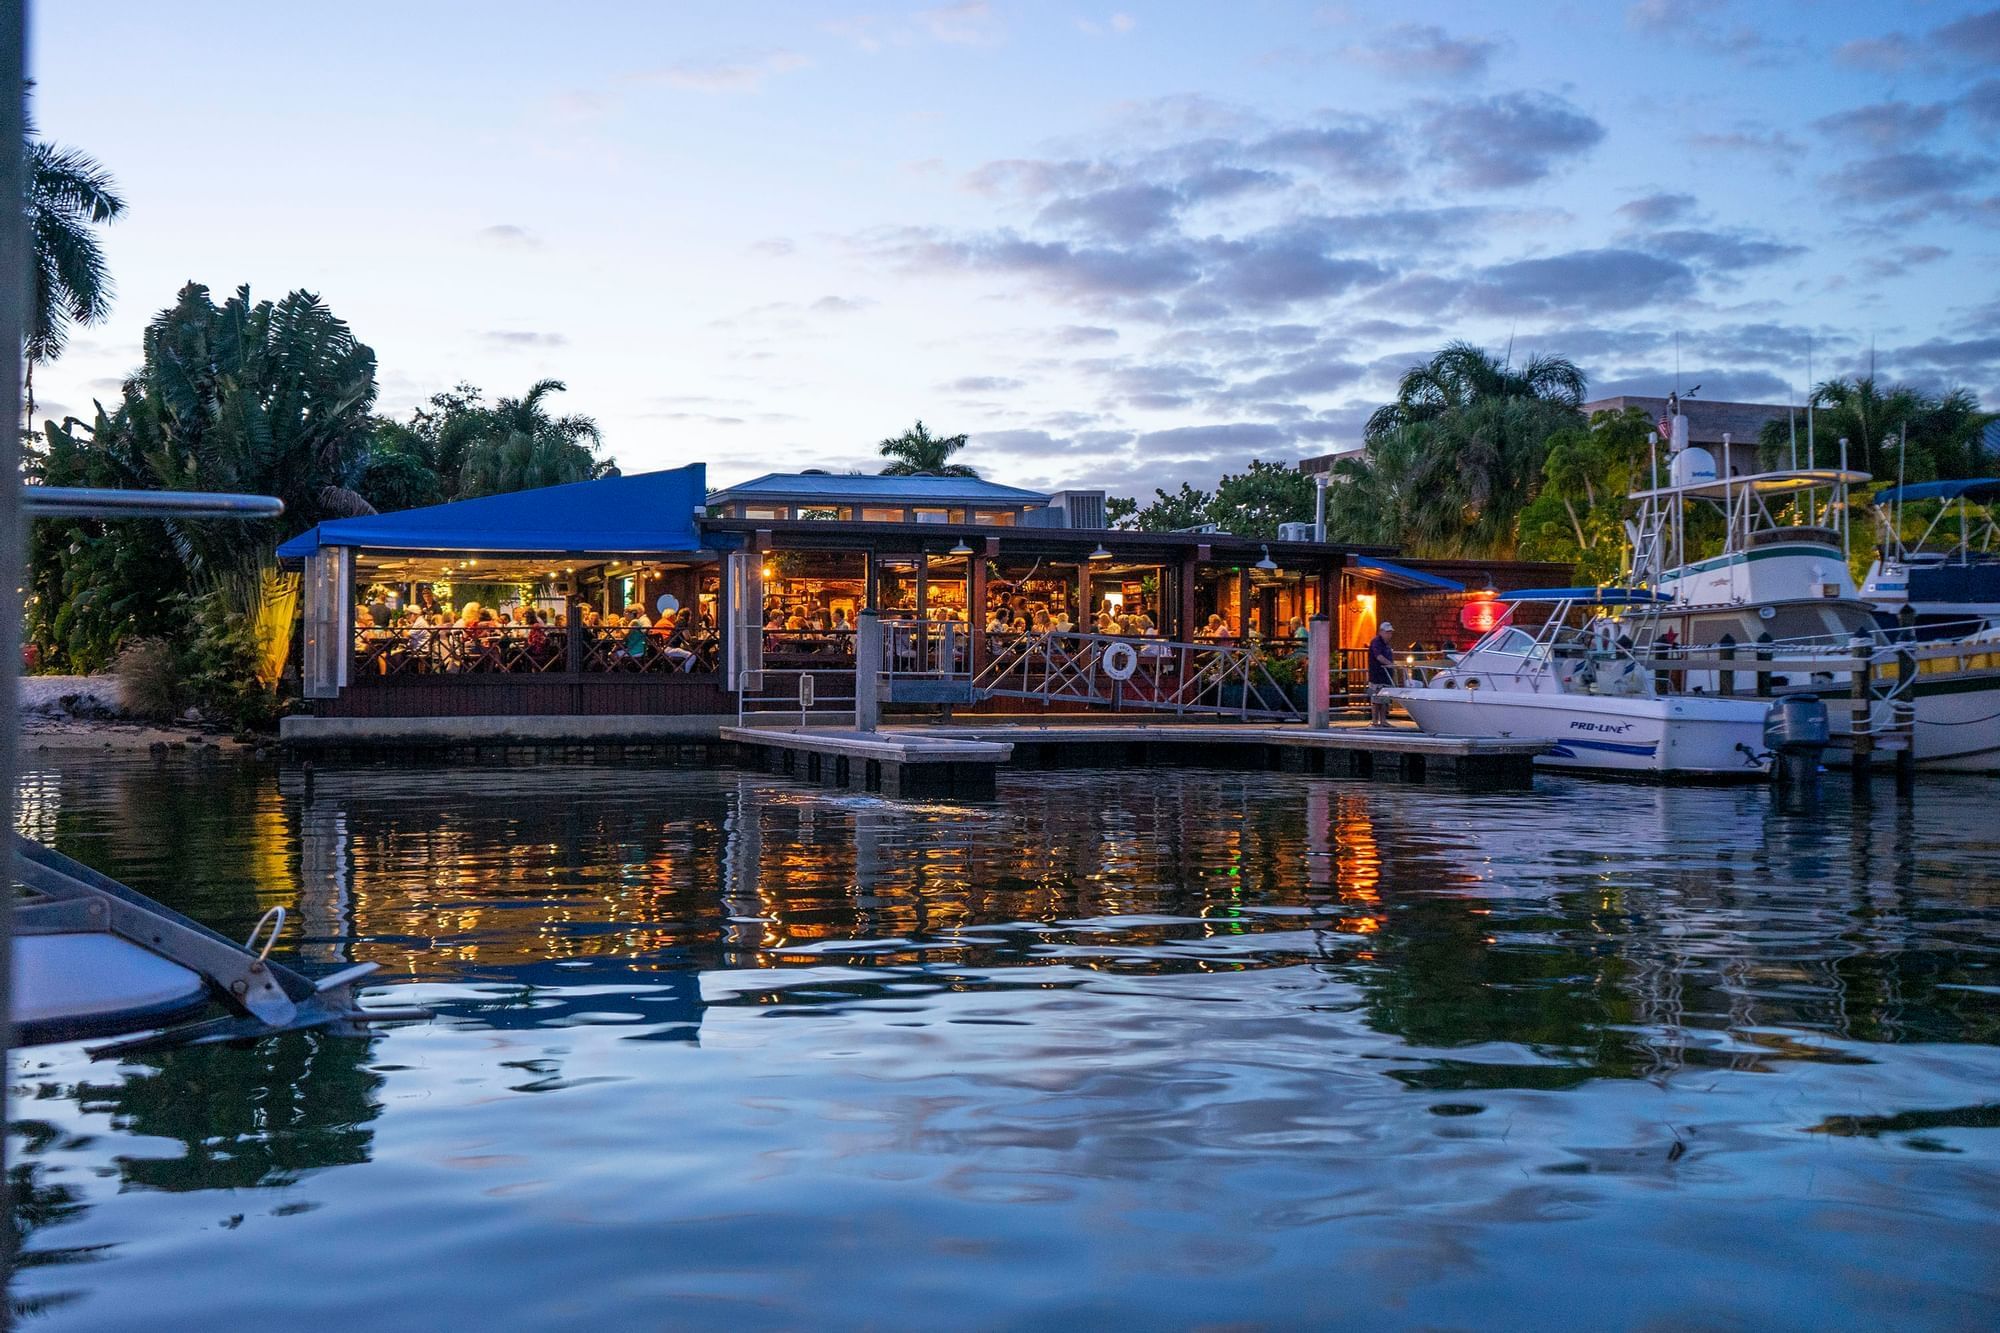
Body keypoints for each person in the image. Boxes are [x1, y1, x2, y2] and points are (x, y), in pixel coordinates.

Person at [1368, 620, 1398, 726]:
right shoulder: (1376, 642)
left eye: (1390, 632)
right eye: (1387, 632)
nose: (1389, 635)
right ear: (1381, 632)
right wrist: (1390, 664)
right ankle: (1375, 721)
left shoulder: (1386, 644)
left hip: (1385, 675)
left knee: (1384, 699)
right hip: (1377, 675)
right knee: (1376, 699)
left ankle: (1383, 720)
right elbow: (1378, 656)